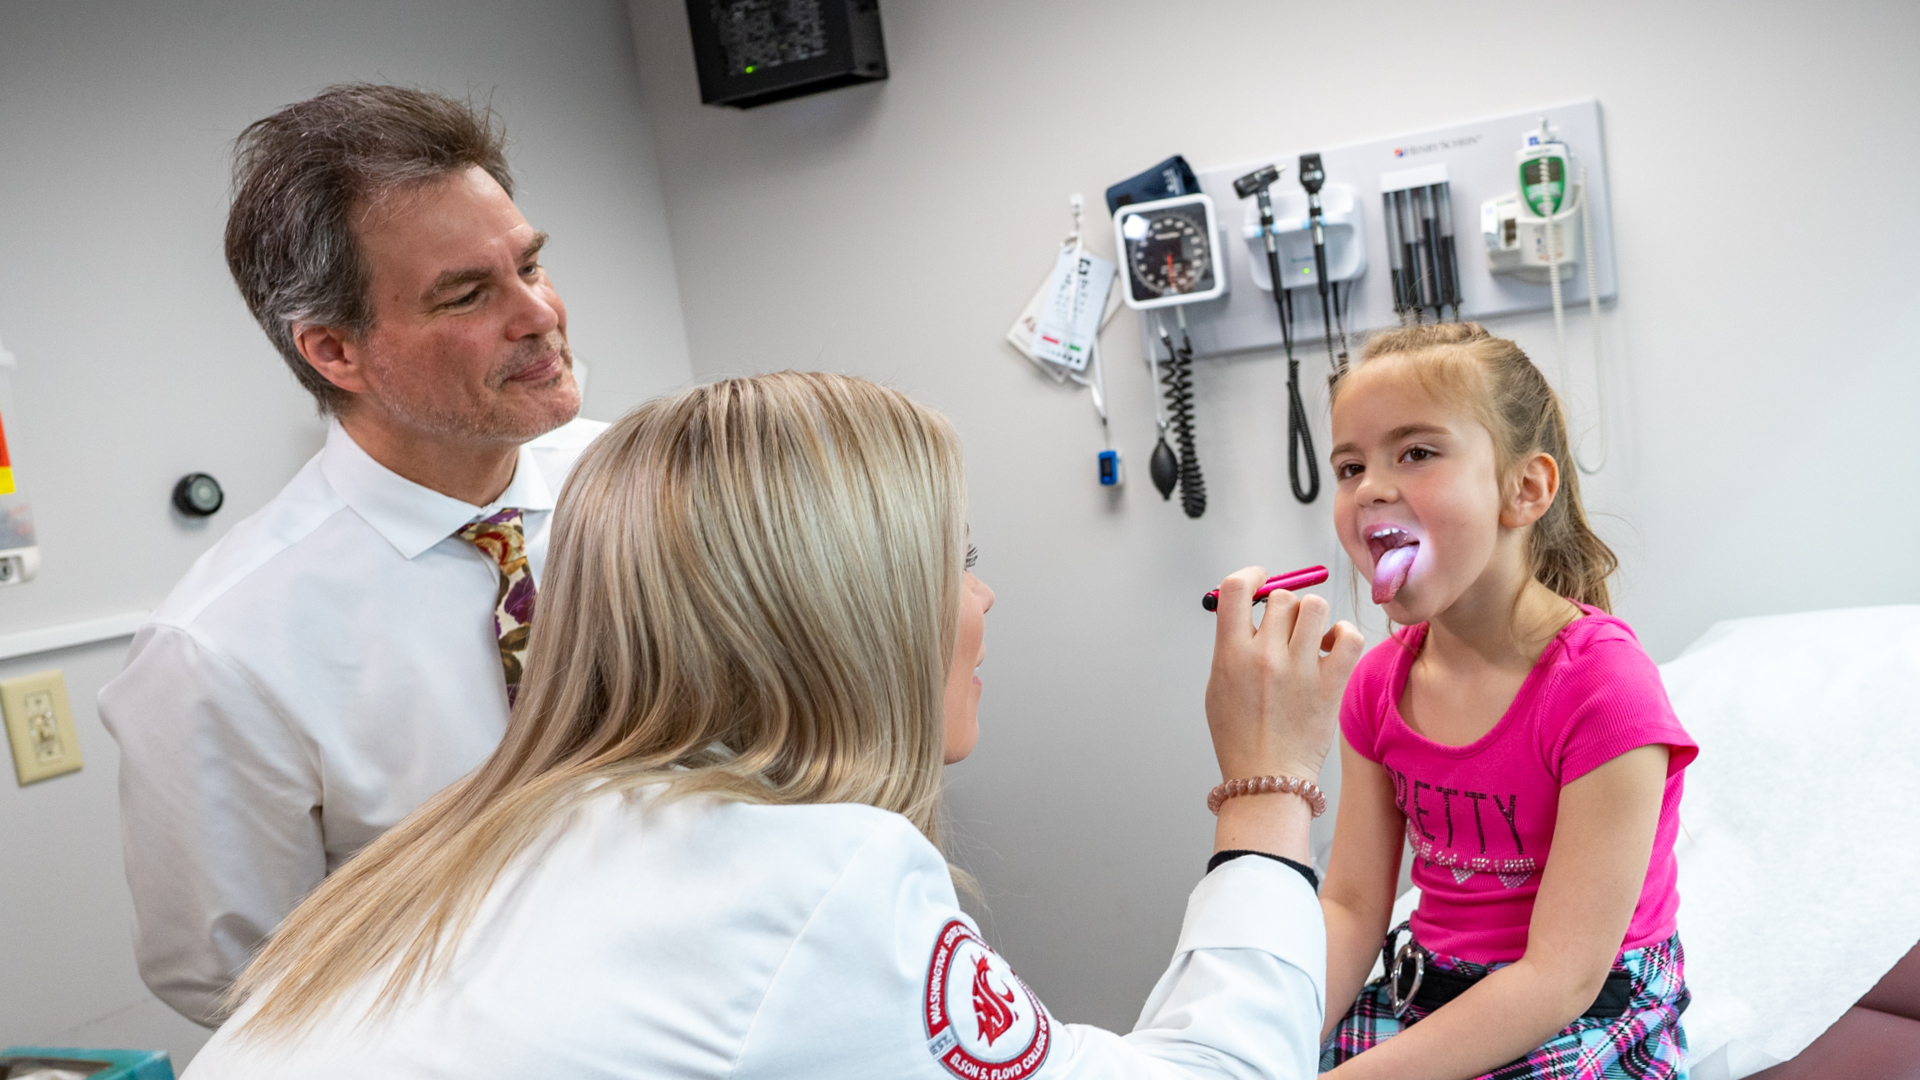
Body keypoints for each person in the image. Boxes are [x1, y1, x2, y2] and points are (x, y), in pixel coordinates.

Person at [182, 371, 1363, 1079]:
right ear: (845, 609)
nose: (982, 599)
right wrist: (1270, 783)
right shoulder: (811, 880)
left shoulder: (468, 839)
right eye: (956, 561)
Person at [97, 84, 602, 1026]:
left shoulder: (646, 488)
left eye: (530, 265)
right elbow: (240, 978)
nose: (538, 314)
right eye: (468, 294)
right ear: (335, 351)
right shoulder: (218, 650)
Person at [1315, 324, 1697, 1079]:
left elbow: (1561, 976)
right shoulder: (1375, 685)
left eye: (1416, 452)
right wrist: (1272, 1041)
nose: (1372, 488)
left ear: (1524, 490)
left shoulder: (1603, 688)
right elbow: (1355, 906)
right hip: (1434, 989)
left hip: (1589, 1006)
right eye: (1350, 466)